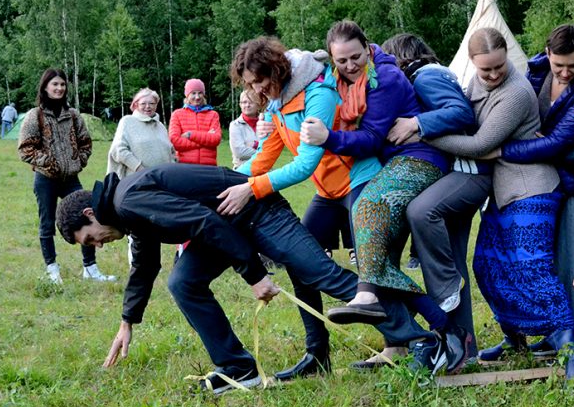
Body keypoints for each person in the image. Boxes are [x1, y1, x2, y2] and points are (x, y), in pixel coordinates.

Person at [55, 164, 366, 393]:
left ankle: (407, 330)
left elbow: (203, 220)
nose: (98, 245)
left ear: (88, 214)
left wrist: (255, 275)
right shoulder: (122, 211)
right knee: (183, 282)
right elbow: (145, 265)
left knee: (322, 275)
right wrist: (127, 321)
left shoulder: (128, 201)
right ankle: (239, 369)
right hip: (226, 222)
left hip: (254, 208)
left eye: (90, 239)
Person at [303, 22, 472, 375]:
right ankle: (399, 344)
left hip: (418, 159)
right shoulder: (341, 78)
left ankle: (382, 301)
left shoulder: (387, 80)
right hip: (388, 163)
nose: (350, 65)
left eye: (356, 57)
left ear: (368, 47)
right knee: (382, 249)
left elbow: (370, 139)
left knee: (369, 208)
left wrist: (327, 138)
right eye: (341, 60)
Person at [425, 28, 574, 376]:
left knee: (533, 269)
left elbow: (480, 144)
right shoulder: (474, 84)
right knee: (487, 266)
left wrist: (424, 133)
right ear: (473, 64)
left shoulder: (515, 93)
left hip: (533, 188)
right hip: (501, 192)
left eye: (499, 66)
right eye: (486, 70)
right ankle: (516, 336)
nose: (494, 74)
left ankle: (571, 347)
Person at [223, 36, 382, 379]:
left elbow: (304, 165)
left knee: (374, 267)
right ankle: (317, 355)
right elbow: (263, 159)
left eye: (260, 81)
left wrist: (252, 189)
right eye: (251, 84)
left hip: (359, 180)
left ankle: (411, 339)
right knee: (299, 260)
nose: (257, 90)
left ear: (276, 70)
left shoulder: (317, 92)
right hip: (328, 191)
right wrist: (219, 181)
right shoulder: (277, 102)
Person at [500, 24, 574, 339]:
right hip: (543, 182)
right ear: (547, 53)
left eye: (573, 65)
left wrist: (500, 150)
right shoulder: (534, 70)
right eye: (559, 65)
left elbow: (554, 143)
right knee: (552, 264)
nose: (565, 72)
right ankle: (555, 334)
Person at [382, 33, 480, 355]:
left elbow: (460, 113)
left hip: (464, 173)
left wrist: (416, 123)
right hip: (455, 173)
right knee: (448, 259)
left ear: (401, 57)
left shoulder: (427, 75)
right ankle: (462, 347)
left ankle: (457, 341)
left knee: (445, 260)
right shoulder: (430, 74)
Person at [18, 68, 115, 284]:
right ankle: (52, 270)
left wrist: (78, 161)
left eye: (62, 84)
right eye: (55, 84)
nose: (59, 88)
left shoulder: (73, 115)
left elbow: (86, 143)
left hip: (71, 178)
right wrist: (50, 164)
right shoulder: (36, 116)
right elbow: (25, 149)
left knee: (87, 216)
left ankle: (90, 268)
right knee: (47, 222)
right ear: (45, 87)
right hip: (46, 179)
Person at [107, 88, 176, 179]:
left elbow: (170, 152)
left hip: (162, 180)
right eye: (143, 103)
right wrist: (140, 169)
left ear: (156, 105)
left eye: (151, 103)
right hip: (136, 180)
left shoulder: (161, 126)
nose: (148, 106)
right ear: (136, 105)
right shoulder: (127, 121)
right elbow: (118, 150)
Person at [169, 79, 221, 165]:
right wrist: (205, 139)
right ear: (187, 95)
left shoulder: (213, 114)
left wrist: (191, 135)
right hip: (184, 167)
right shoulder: (177, 114)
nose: (197, 97)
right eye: (193, 93)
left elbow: (216, 139)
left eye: (200, 93)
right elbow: (175, 142)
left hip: (208, 167)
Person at [228, 89, 261, 169]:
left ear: (258, 104)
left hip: (264, 171)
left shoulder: (265, 124)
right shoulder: (235, 125)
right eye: (244, 102)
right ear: (240, 105)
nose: (247, 105)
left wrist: (250, 148)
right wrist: (263, 152)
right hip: (242, 171)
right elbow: (240, 152)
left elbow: (271, 147)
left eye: (251, 102)